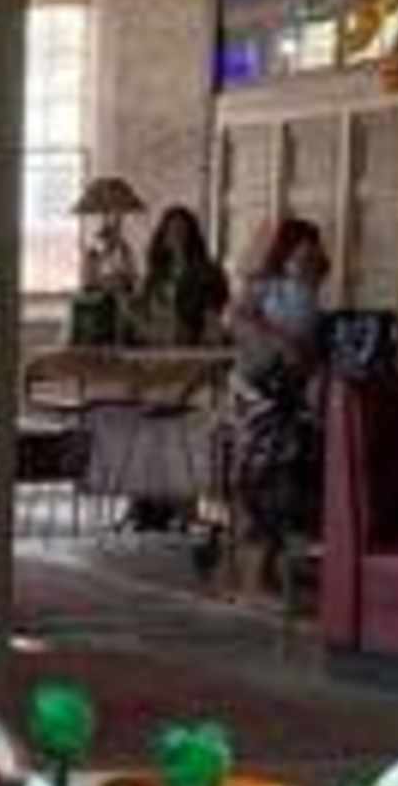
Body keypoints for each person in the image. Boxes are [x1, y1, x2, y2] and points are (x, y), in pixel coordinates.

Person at [224, 216, 332, 576]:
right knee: (260, 466)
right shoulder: (265, 287)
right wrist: (277, 339)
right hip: (258, 386)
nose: (308, 255)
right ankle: (256, 559)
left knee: (291, 468)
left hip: (294, 390)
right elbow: (237, 318)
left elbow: (313, 342)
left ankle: (281, 552)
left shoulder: (310, 291)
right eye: (302, 249)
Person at [133, 206, 226, 347]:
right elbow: (146, 306)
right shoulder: (157, 273)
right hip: (157, 339)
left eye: (181, 230)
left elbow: (213, 310)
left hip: (192, 341)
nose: (176, 235)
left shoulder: (206, 272)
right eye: (171, 230)